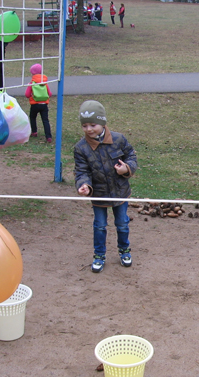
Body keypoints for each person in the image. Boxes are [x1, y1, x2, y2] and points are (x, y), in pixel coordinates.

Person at [74, 100, 138, 273]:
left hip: (120, 193)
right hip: (99, 195)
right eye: (85, 125)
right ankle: (99, 255)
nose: (89, 129)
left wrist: (127, 168)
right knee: (100, 226)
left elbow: (131, 156)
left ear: (102, 122)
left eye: (93, 124)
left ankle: (124, 250)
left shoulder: (118, 139)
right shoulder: (81, 148)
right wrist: (84, 185)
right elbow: (81, 171)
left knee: (122, 223)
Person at [25, 64, 53, 143]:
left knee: (33, 117)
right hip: (44, 104)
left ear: (33, 74)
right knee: (45, 120)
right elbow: (50, 94)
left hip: (34, 104)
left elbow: (27, 95)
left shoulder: (32, 83)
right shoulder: (45, 82)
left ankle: (34, 132)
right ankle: (48, 136)